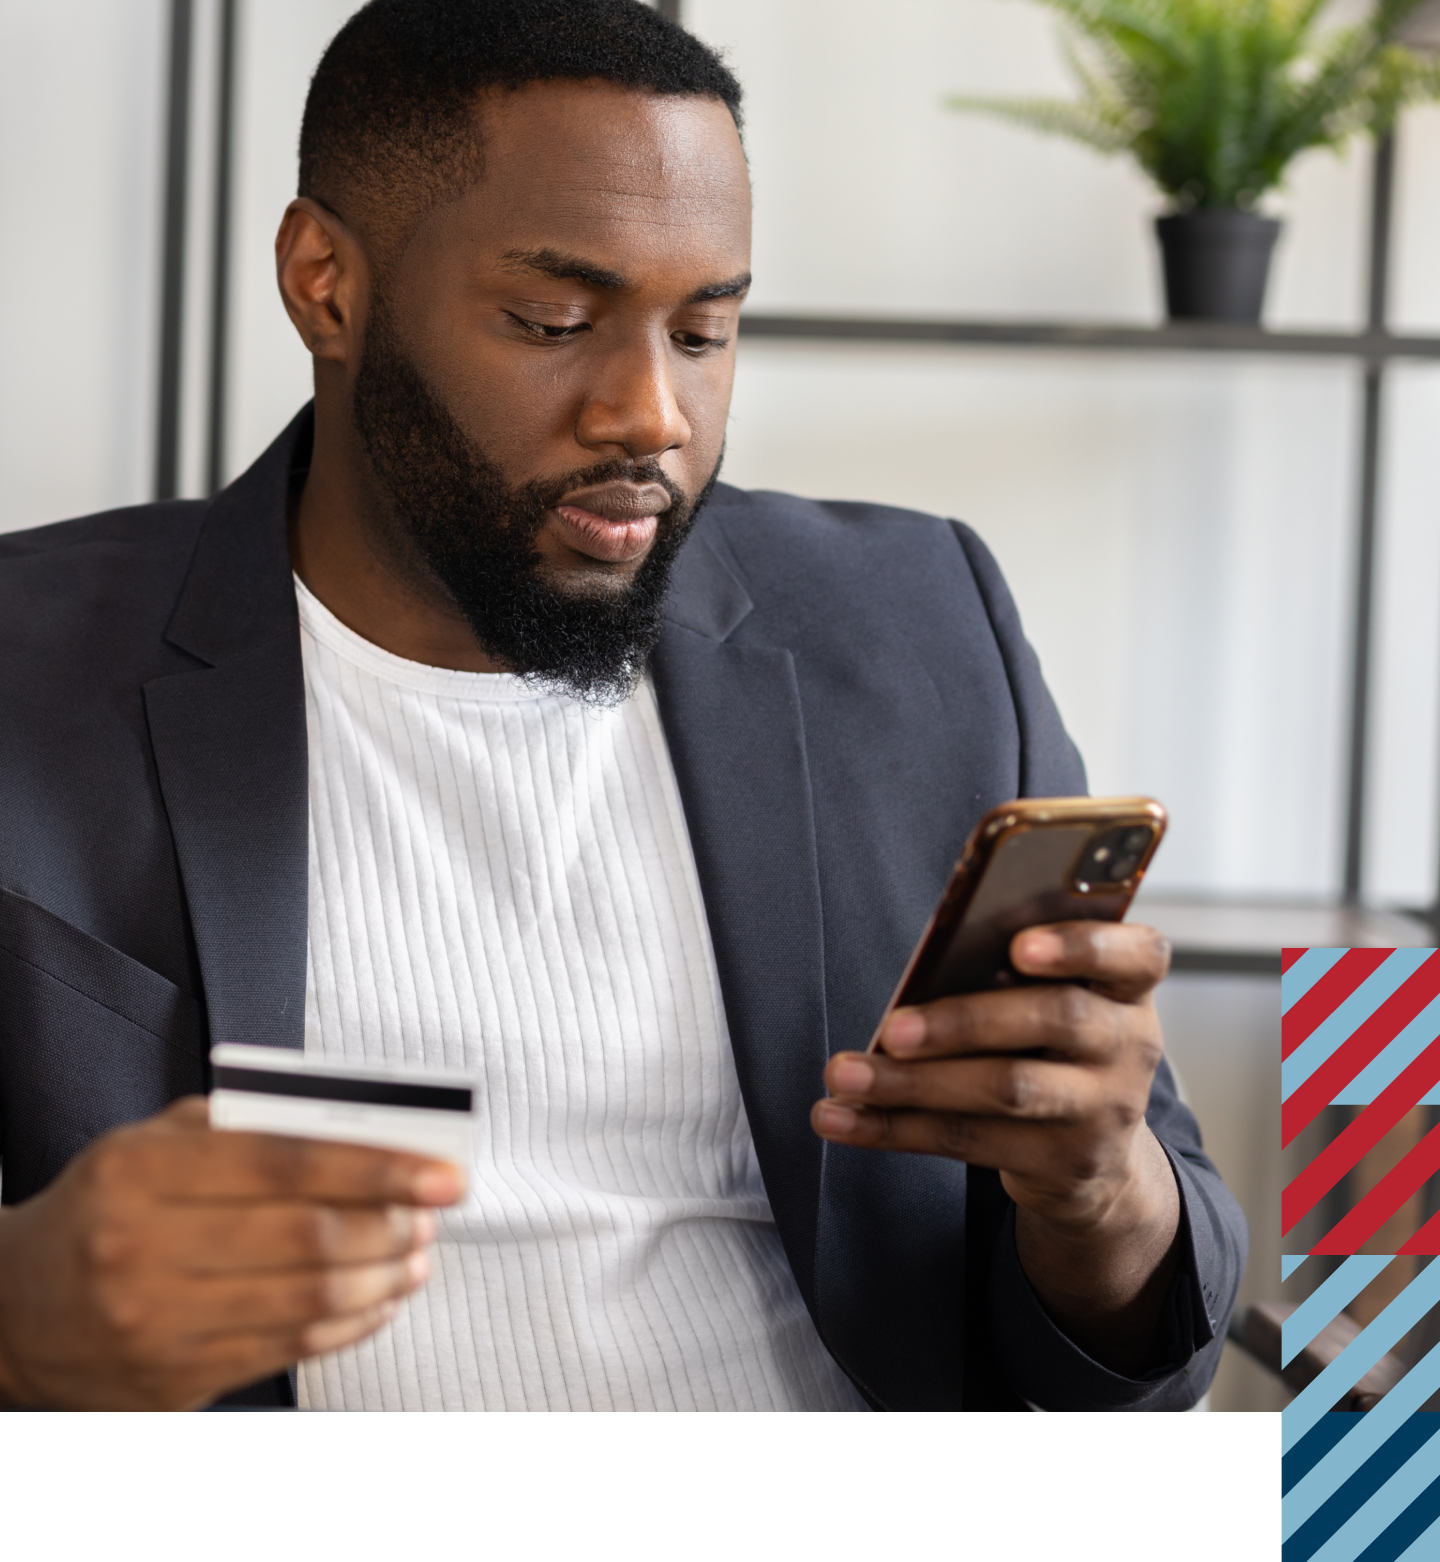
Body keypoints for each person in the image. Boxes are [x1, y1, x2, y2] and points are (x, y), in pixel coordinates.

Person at [0, 0, 1245, 1412]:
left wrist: (1101, 1195)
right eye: (555, 321)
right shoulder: (33, 670)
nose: (653, 413)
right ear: (325, 283)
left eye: (705, 332)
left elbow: (1155, 1352)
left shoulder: (919, 621)